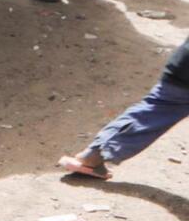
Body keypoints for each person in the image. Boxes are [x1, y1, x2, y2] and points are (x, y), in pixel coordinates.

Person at [59, 36, 189, 180]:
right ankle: (94, 155)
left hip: (182, 65)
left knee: (158, 106)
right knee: (162, 105)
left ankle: (93, 155)